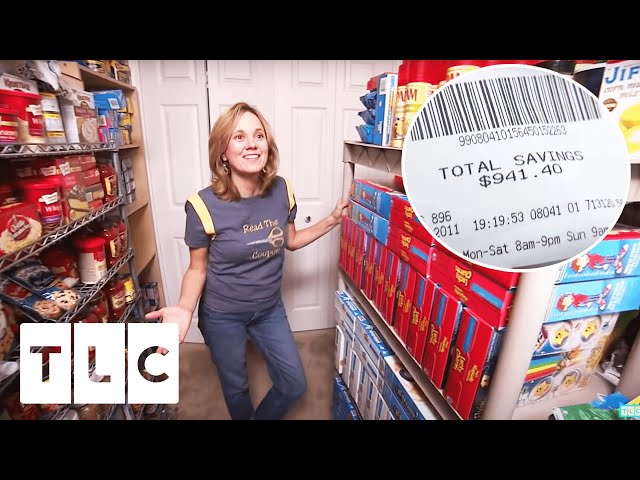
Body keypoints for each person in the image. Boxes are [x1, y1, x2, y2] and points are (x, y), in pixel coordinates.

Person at [146, 102, 348, 420]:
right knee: (237, 388)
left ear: (268, 145)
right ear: (223, 152)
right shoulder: (202, 205)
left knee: (294, 384)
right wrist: (184, 309)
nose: (252, 144)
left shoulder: (282, 190)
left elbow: (291, 240)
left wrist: (332, 220)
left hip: (269, 309)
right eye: (239, 137)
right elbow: (197, 268)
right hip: (222, 315)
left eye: (259, 135)